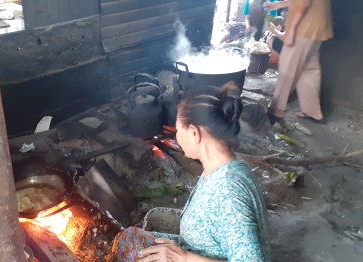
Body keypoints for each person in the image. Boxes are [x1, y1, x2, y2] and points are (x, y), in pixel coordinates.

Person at [110, 83, 270, 262]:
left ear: (194, 133)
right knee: (128, 238)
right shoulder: (222, 164)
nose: (176, 136)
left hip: (192, 257)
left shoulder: (228, 192)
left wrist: (183, 258)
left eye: (178, 130)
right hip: (195, 249)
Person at [265, 0, 333, 124]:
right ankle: (312, 111)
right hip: (316, 26)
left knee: (288, 68)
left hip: (303, 27)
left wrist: (290, 32)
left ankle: (277, 109)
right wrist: (281, 4)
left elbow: (302, 3)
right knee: (308, 69)